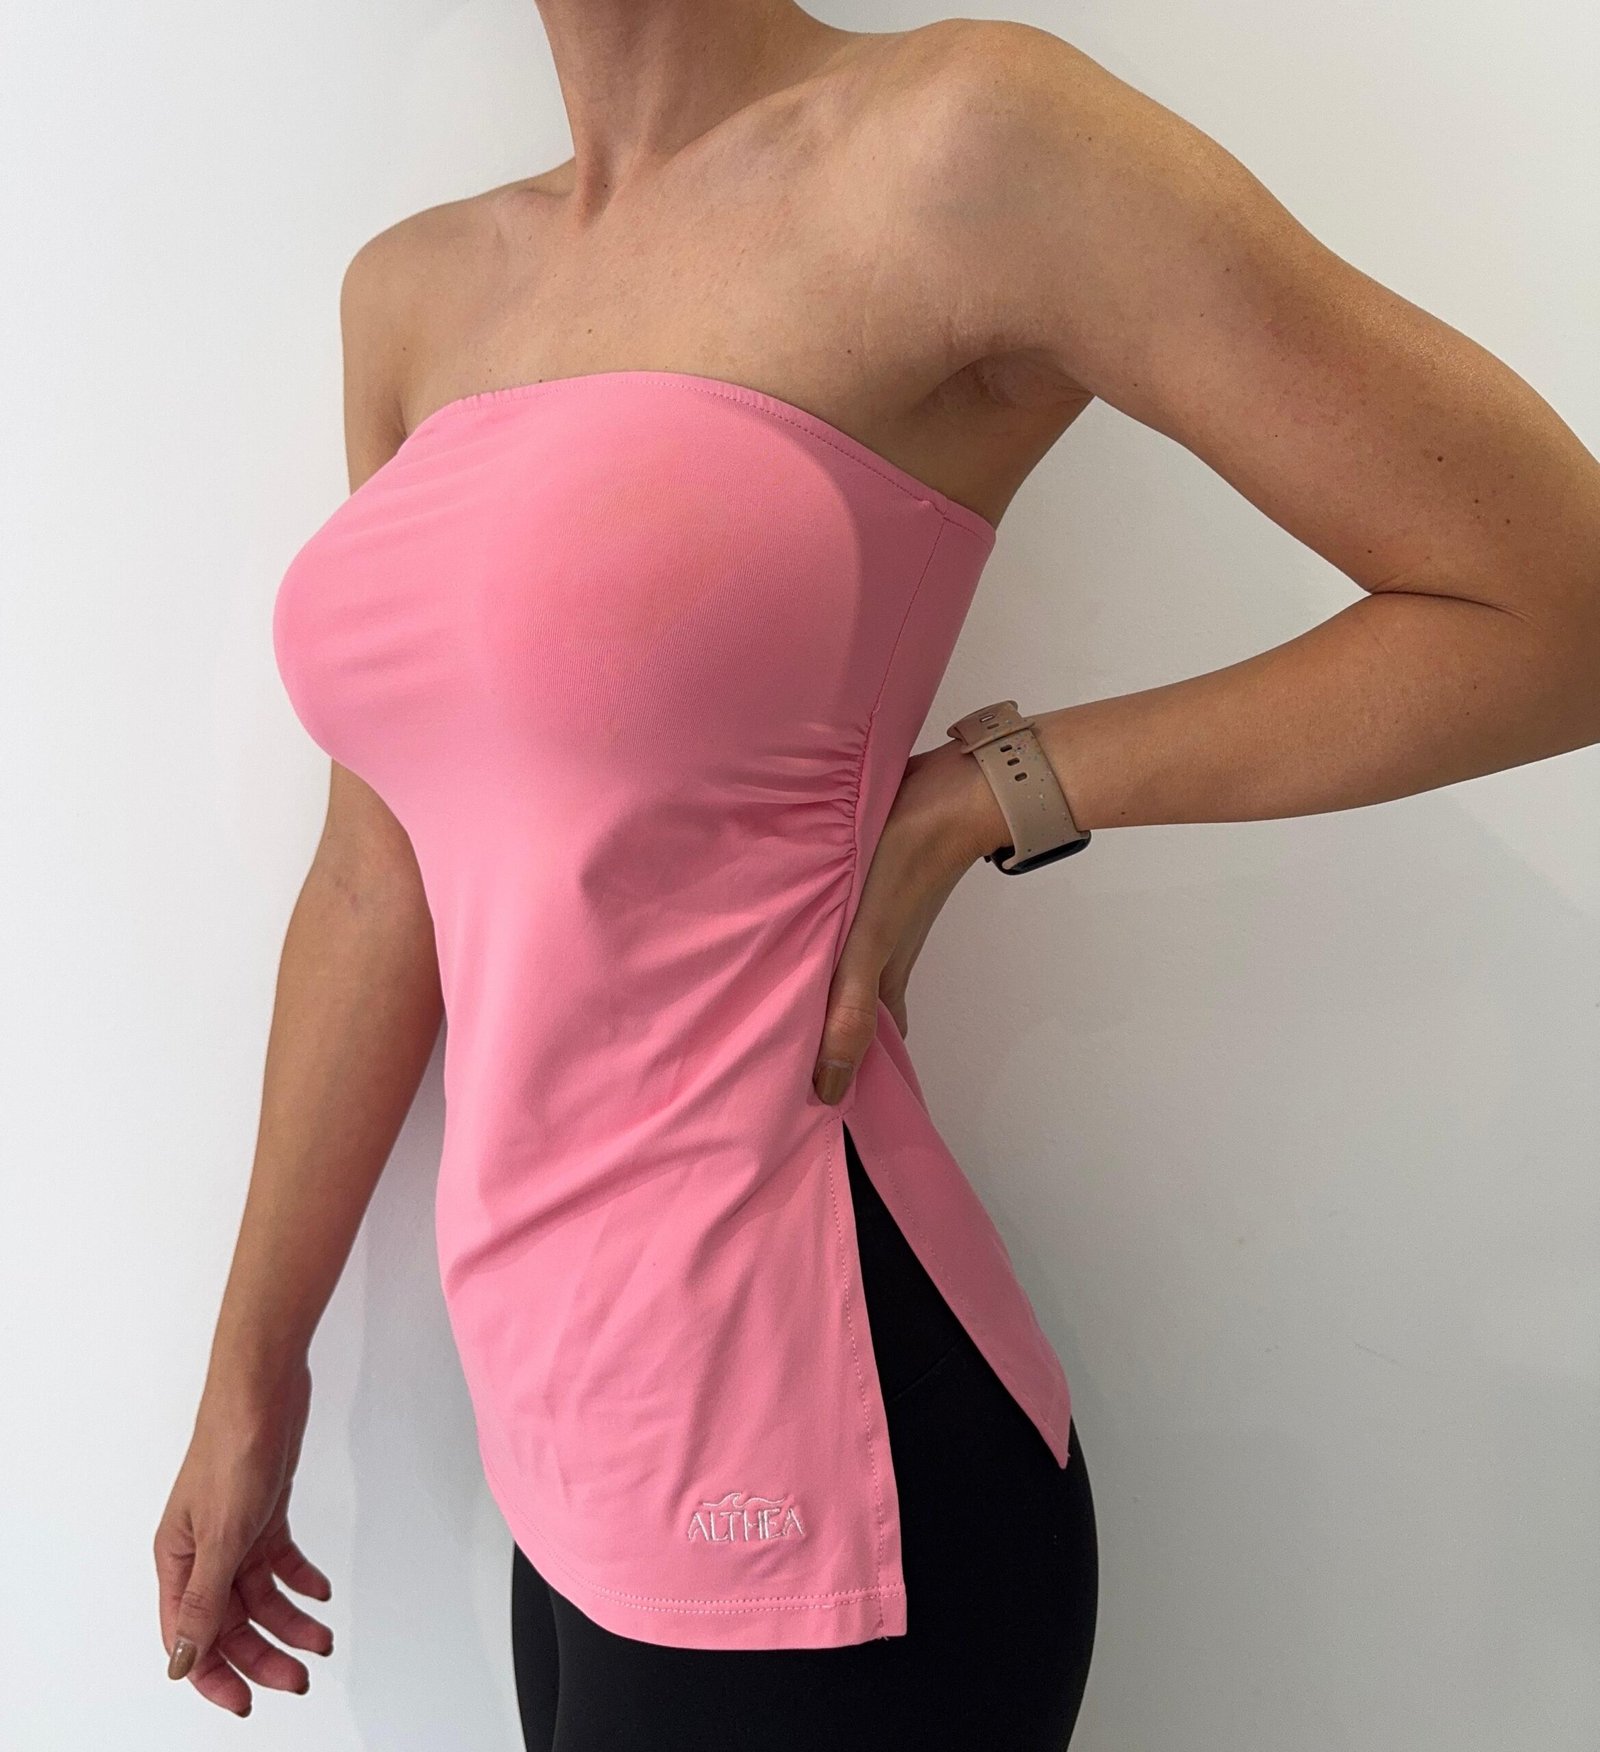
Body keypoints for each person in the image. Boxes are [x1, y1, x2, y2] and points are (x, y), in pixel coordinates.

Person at [153, 5, 1600, 1747]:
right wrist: (252, 1373)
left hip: (827, 1475)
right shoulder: (410, 296)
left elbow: (1554, 604)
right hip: (563, 1463)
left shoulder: (964, 145)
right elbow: (377, 874)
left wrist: (1000, 788)